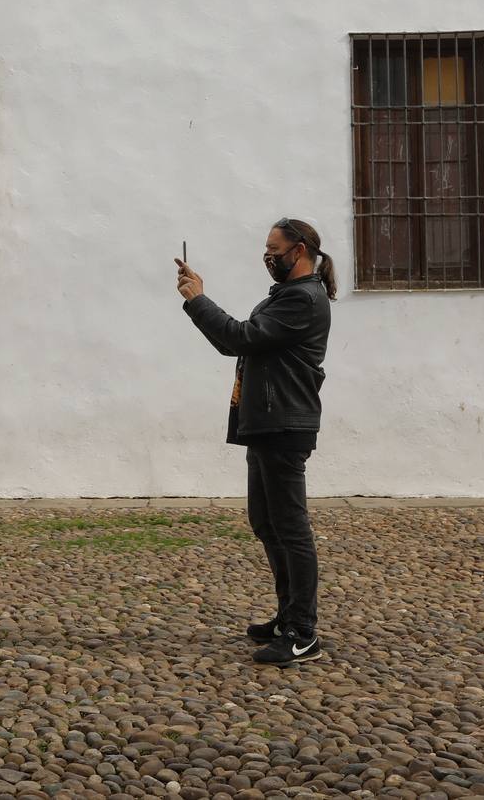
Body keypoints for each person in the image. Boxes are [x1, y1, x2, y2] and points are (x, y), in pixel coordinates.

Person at [175, 218, 335, 666]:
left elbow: (240, 338)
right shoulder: (285, 295)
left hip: (285, 424)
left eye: (273, 248)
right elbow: (247, 338)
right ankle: (288, 616)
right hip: (266, 422)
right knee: (266, 522)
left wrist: (197, 300)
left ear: (298, 251)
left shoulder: (304, 299)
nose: (267, 256)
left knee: (291, 527)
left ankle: (303, 633)